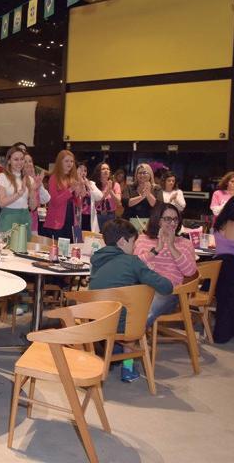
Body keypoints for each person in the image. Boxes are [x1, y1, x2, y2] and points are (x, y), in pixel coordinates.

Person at [90, 218, 173, 382]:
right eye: (133, 242)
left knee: (125, 308)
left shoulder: (97, 261)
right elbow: (166, 287)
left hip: (94, 321)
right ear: (122, 241)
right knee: (136, 313)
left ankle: (113, 352)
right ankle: (127, 367)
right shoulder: (131, 261)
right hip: (121, 326)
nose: (135, 247)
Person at [134, 203, 197, 326]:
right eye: (168, 219)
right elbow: (133, 265)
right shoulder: (142, 239)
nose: (173, 223)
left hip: (168, 292)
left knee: (145, 311)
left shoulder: (185, 243)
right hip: (141, 287)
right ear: (158, 220)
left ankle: (130, 334)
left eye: (175, 219)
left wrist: (172, 247)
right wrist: (156, 250)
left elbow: (190, 272)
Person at [0, 146, 45, 237]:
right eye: (16, 159)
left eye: (22, 159)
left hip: (25, 218)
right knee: (6, 245)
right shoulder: (2, 177)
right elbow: (1, 203)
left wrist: (33, 190)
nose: (19, 162)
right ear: (9, 161)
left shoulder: (29, 179)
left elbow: (33, 207)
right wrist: (19, 193)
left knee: (25, 245)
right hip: (8, 218)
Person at [41, 150, 86, 240]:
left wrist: (80, 190)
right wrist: (70, 190)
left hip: (71, 219)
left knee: (69, 247)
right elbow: (54, 201)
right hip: (56, 221)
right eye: (66, 161)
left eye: (72, 161)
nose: (70, 163)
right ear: (60, 162)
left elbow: (78, 203)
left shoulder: (73, 178)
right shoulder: (54, 178)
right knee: (56, 247)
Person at [23, 153, 50, 234]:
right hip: (20, 223)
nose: (29, 164)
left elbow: (46, 199)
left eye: (30, 161)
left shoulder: (36, 181)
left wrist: (39, 184)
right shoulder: (19, 181)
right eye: (25, 161)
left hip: (34, 223)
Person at [92, 162, 121, 231]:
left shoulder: (115, 185)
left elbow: (118, 202)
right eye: (103, 169)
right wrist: (106, 192)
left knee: (110, 235)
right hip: (97, 215)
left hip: (111, 216)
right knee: (96, 236)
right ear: (98, 171)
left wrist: (110, 191)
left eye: (108, 169)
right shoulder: (94, 185)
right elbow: (94, 204)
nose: (106, 170)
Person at [77, 162, 104, 232]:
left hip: (89, 216)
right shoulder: (73, 183)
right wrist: (81, 183)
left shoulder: (91, 183)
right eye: (81, 170)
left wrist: (88, 186)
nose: (83, 173)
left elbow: (99, 197)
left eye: (85, 171)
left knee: (89, 237)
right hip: (78, 215)